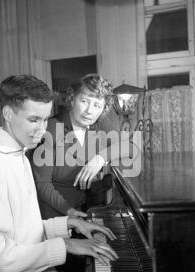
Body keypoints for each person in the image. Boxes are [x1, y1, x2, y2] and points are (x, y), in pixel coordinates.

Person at [0, 75, 118, 272]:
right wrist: (66, 244)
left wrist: (68, 224)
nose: (42, 129)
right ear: (8, 114)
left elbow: (23, 232)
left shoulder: (19, 155)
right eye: (34, 119)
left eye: (45, 120)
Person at [30, 74, 133, 220]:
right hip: (56, 214)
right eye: (84, 101)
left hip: (87, 210)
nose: (89, 111)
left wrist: (100, 159)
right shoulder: (51, 128)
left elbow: (128, 147)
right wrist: (69, 211)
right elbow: (42, 184)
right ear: (72, 99)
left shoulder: (99, 122)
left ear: (103, 109)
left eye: (97, 105)